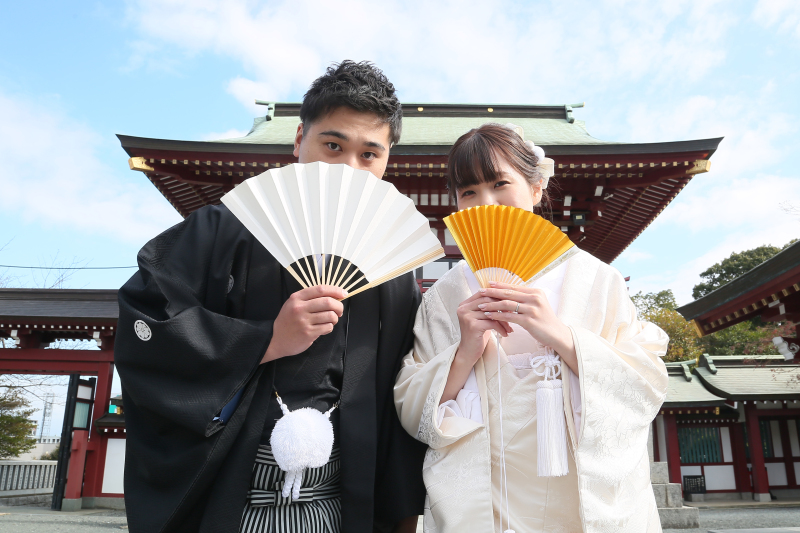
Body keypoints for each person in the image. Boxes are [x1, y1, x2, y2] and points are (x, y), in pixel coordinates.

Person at [115, 61, 427, 533]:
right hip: (236, 492)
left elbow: (403, 397)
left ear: (387, 161)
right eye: (333, 145)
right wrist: (265, 340)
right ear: (299, 139)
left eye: (369, 154)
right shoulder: (224, 229)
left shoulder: (390, 265)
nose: (349, 167)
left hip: (342, 499)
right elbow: (147, 323)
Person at [393, 123, 669, 533]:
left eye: (500, 183)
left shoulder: (595, 280)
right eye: (469, 192)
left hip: (577, 491)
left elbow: (645, 385)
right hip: (484, 496)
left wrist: (560, 334)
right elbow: (413, 407)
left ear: (537, 187)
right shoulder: (445, 295)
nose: (485, 203)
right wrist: (465, 349)